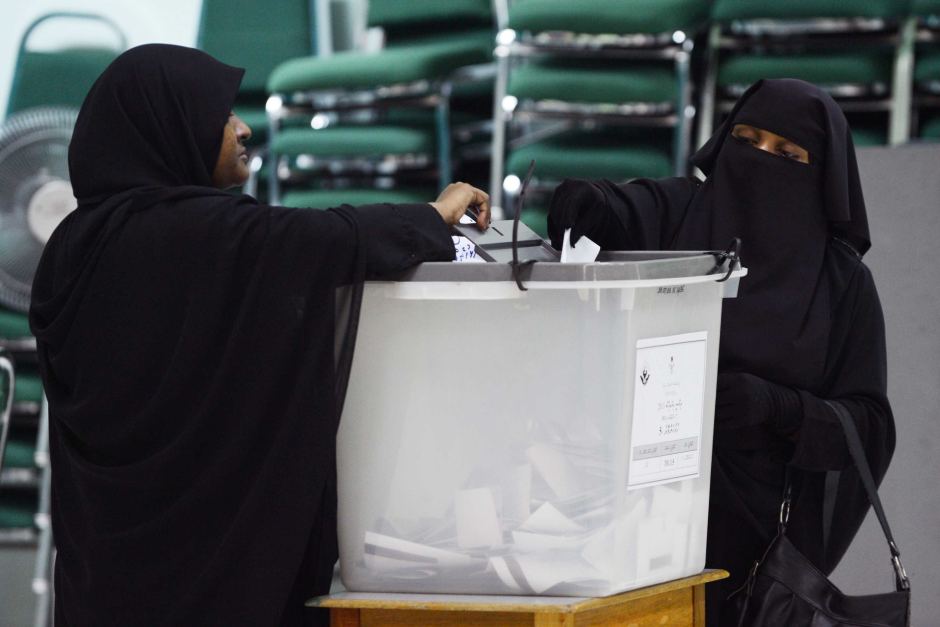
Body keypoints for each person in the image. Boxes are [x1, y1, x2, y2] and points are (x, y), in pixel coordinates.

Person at [28, 44, 489, 626]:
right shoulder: (211, 235)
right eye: (220, 115)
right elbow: (331, 240)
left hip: (105, 577)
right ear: (171, 127)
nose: (242, 128)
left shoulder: (70, 248)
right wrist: (434, 214)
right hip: (213, 578)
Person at [547, 79, 895, 625]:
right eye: (747, 139)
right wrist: (583, 203)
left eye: (787, 154)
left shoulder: (841, 282)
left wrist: (781, 409)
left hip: (755, 548)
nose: (760, 160)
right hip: (627, 521)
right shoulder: (679, 212)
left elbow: (868, 425)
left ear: (822, 173)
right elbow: (614, 209)